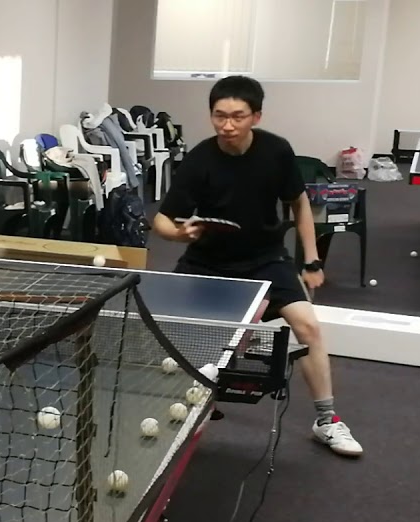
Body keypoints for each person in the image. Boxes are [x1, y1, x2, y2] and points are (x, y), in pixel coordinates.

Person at [151, 75, 363, 458]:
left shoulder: (276, 151)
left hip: (266, 258)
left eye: (238, 116)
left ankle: (327, 421)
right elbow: (162, 221)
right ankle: (192, 402)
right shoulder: (200, 159)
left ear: (256, 117)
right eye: (219, 116)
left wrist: (311, 259)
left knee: (308, 327)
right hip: (207, 260)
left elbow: (299, 203)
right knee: (172, 329)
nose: (227, 125)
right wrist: (180, 234)